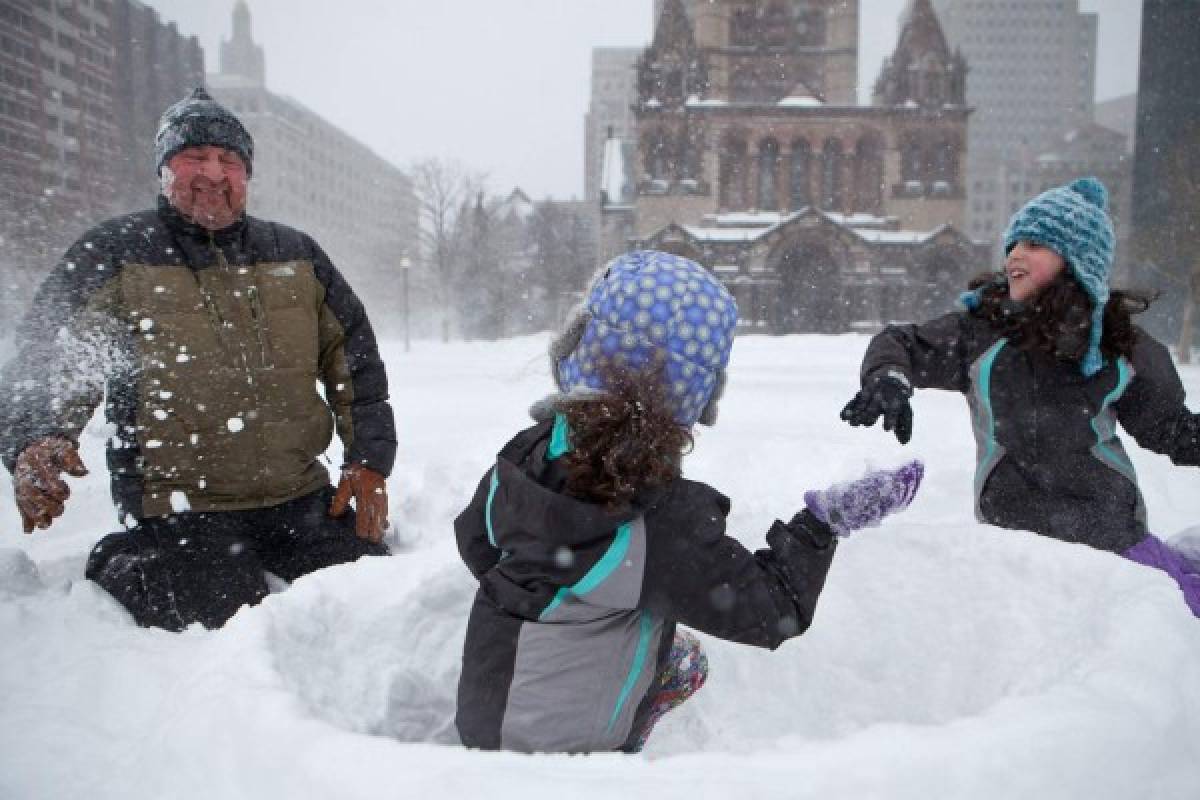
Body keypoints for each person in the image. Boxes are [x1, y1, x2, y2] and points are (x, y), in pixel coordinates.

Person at [453, 250, 923, 753]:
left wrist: (556, 589)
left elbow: (476, 542)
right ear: (696, 394)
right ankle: (620, 727)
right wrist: (825, 522)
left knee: (663, 639)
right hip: (570, 764)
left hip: (484, 716)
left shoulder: (526, 454)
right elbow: (772, 610)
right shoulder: (652, 523)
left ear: (579, 347)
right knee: (683, 657)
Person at [0, 88, 396, 631]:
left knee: (369, 590)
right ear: (165, 170)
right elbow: (51, 350)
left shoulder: (296, 253)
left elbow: (355, 358)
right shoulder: (118, 251)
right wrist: (37, 437)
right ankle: (117, 558)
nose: (214, 172)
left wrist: (369, 457)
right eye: (195, 158)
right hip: (179, 502)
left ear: (246, 176)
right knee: (222, 609)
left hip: (295, 493)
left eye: (229, 160)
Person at [840, 176, 1200, 616]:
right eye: (1014, 243)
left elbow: (1167, 427)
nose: (1015, 254)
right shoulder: (981, 334)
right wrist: (889, 377)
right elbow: (904, 343)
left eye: (1034, 244)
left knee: (1174, 618)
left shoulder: (1119, 344)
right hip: (1015, 539)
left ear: (1076, 262)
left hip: (1111, 535)